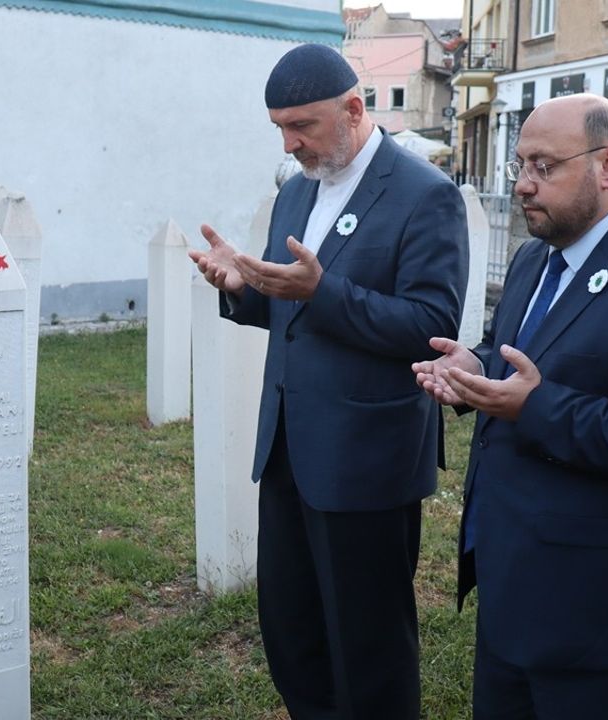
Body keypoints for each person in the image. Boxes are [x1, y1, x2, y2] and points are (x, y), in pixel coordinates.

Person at [412, 94, 608, 719]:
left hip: (605, 615)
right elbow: (525, 352)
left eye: (544, 167)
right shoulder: (537, 257)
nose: (524, 185)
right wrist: (476, 364)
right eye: (520, 165)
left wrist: (532, 407)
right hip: (516, 586)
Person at [189, 44, 468, 718]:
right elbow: (293, 308)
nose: (290, 144)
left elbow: (431, 325)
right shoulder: (296, 191)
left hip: (367, 458)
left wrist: (324, 292)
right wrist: (243, 290)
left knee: (369, 645)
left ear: (353, 108)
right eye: (279, 128)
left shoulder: (424, 196)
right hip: (288, 448)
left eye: (303, 126)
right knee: (293, 632)